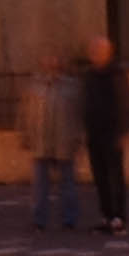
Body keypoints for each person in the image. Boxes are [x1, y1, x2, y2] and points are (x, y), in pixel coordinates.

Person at [79, 31, 129, 238]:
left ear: (108, 53)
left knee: (115, 177)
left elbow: (127, 105)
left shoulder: (117, 75)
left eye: (99, 50)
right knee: (100, 178)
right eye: (93, 50)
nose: (94, 53)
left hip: (112, 134)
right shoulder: (89, 76)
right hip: (94, 134)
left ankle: (118, 218)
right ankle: (106, 216)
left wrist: (125, 131)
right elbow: (85, 104)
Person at [22, 56, 82, 236]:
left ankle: (69, 220)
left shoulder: (72, 87)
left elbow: (79, 114)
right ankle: (38, 221)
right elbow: (27, 113)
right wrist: (26, 135)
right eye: (48, 61)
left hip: (65, 140)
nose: (51, 65)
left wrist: (78, 137)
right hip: (41, 140)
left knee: (68, 183)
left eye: (55, 61)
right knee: (40, 185)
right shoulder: (35, 86)